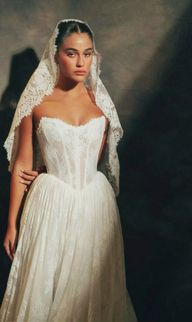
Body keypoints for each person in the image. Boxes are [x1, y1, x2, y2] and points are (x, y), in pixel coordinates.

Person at [0, 19, 138, 322]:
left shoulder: (100, 104)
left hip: (94, 202)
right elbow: (22, 163)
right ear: (56, 54)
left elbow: (98, 156)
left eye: (87, 54)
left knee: (90, 286)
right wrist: (12, 223)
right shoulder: (37, 104)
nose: (81, 62)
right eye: (72, 53)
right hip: (51, 203)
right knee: (46, 285)